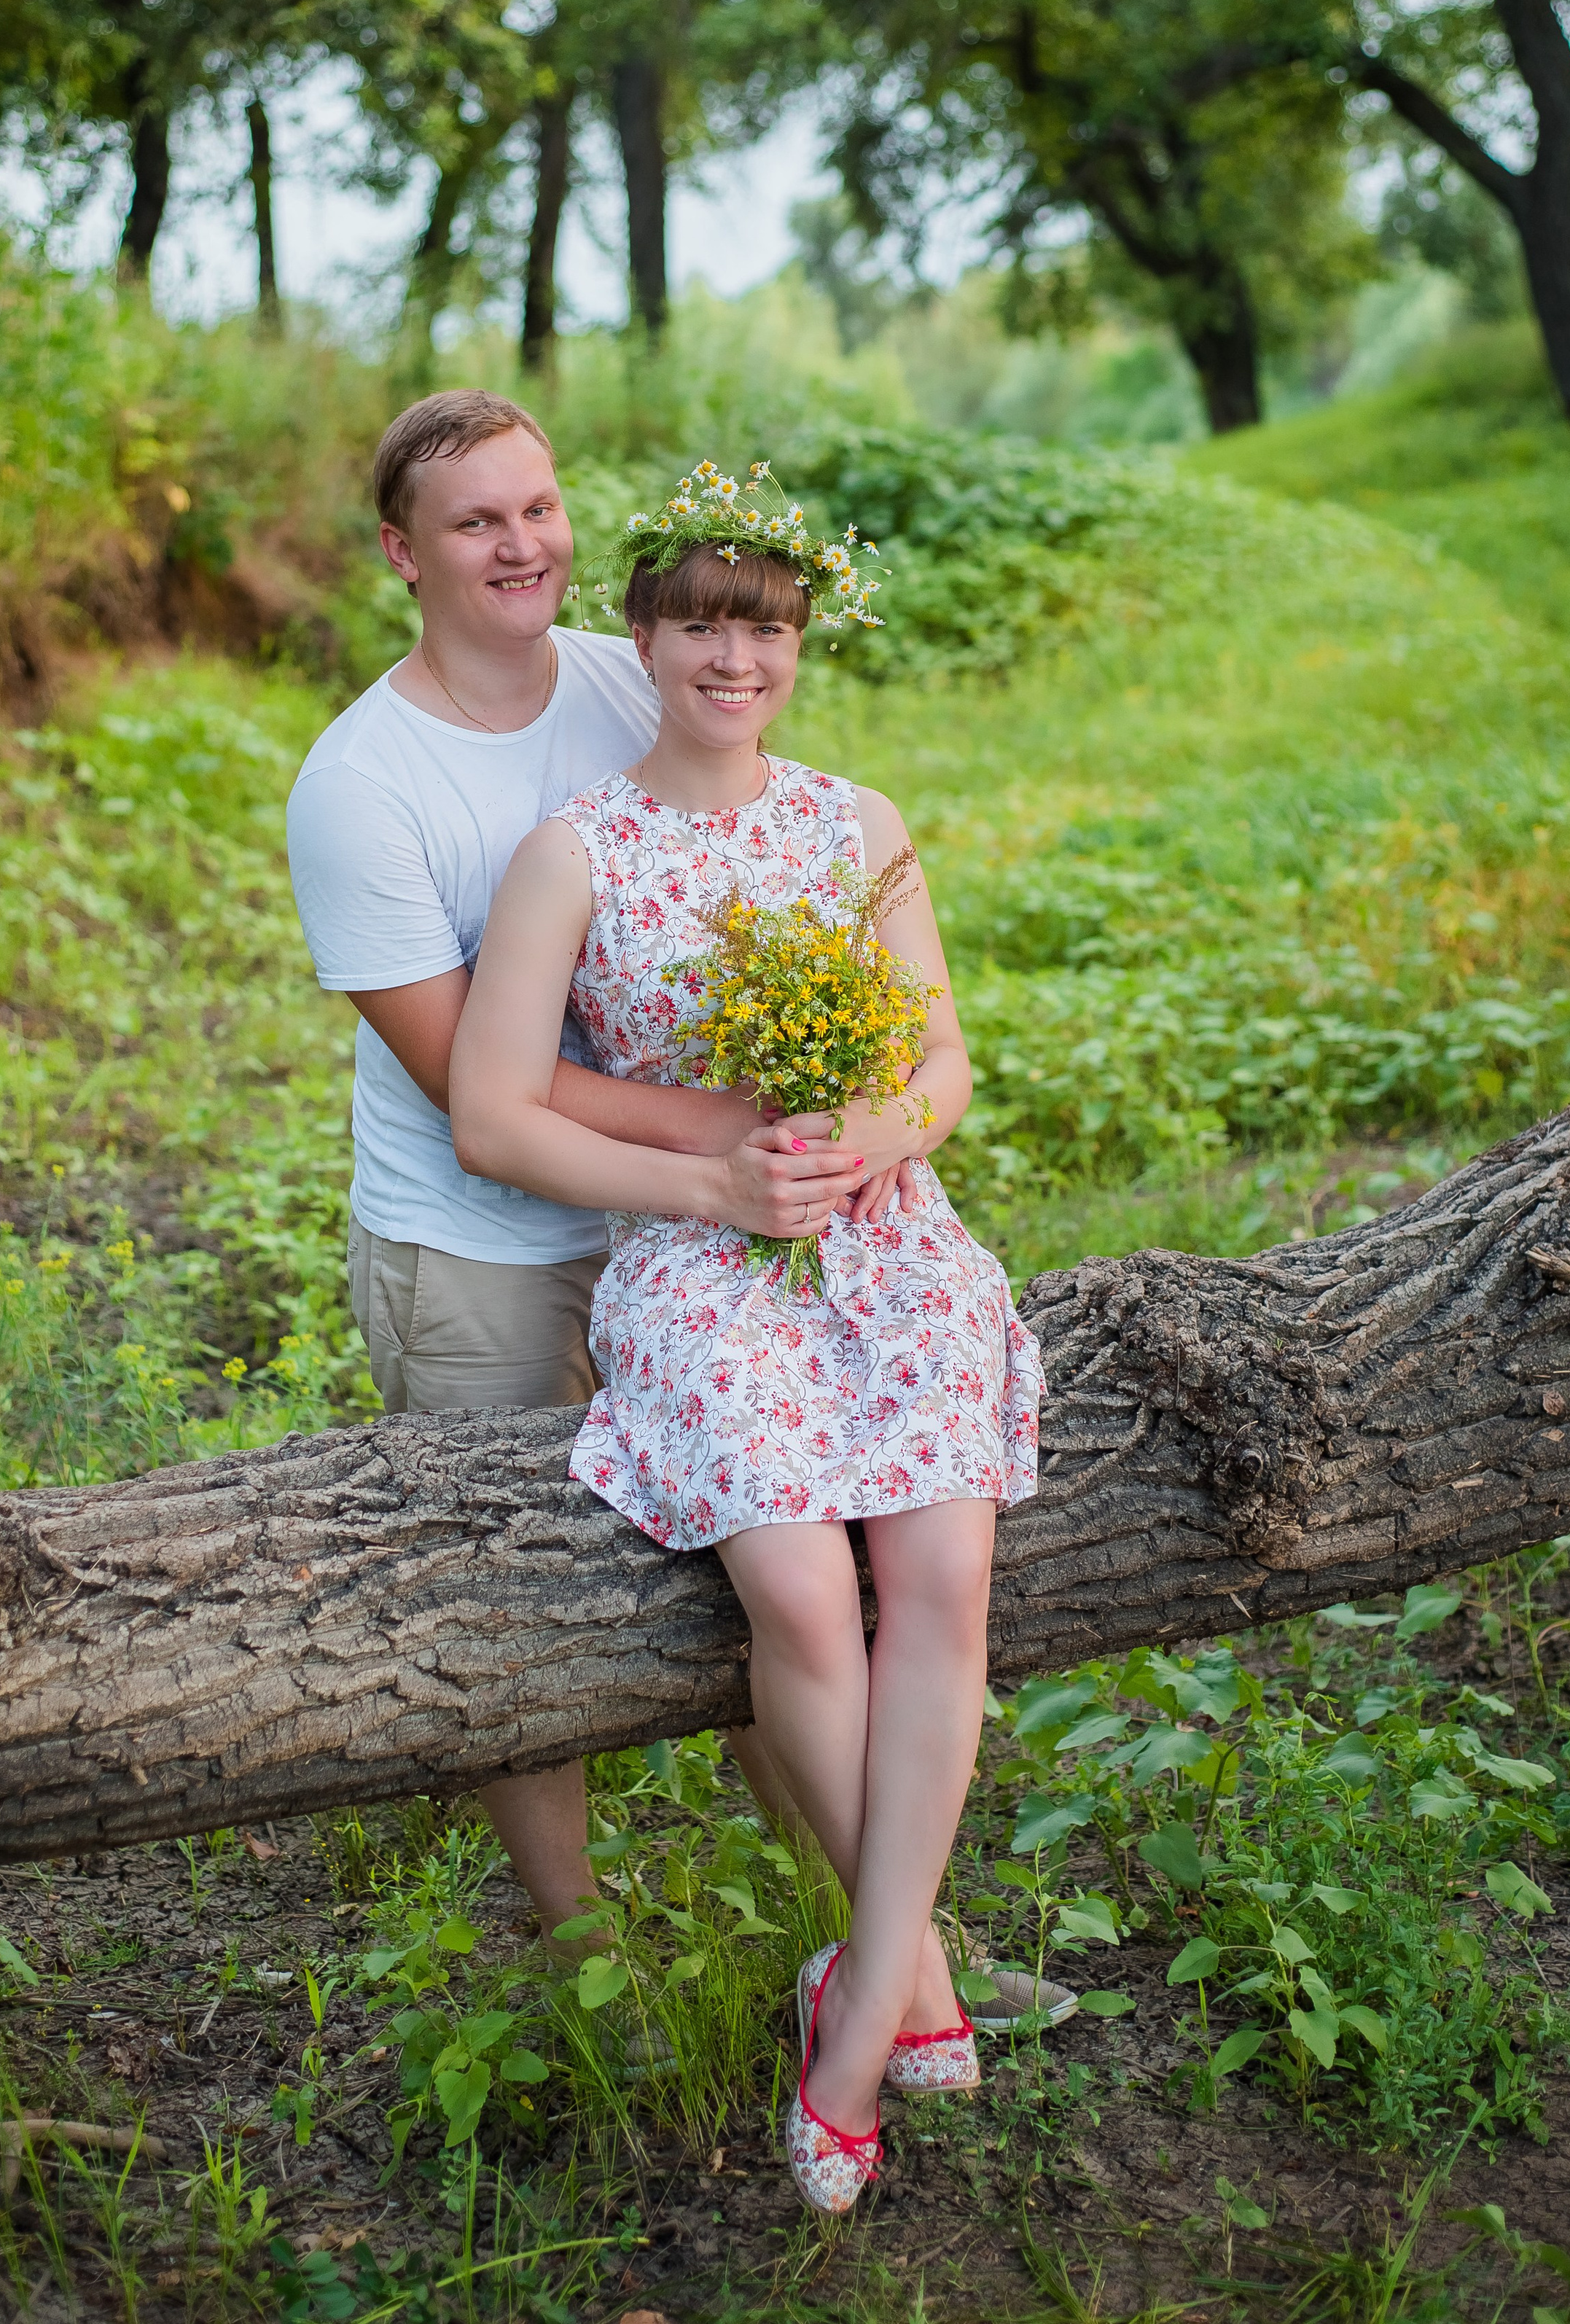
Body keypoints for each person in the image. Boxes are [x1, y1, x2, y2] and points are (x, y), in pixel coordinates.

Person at [448, 466, 1044, 2214]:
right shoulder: (574, 852)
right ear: (640, 637)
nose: (733, 657)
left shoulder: (856, 824)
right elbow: (492, 1112)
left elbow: (941, 1059)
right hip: (698, 1258)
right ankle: (903, 1970)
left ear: (798, 644)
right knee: (794, 1586)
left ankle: (851, 2021)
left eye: (764, 627)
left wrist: (876, 1133)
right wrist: (711, 1183)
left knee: (938, 1570)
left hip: (886, 1237)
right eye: (701, 623)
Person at [285, 393, 869, 1954]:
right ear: (402, 553)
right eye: (475, 521)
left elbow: (768, 861)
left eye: (536, 508)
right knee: (518, 1591)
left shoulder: (633, 677)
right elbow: (471, 1079)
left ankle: (865, 1919)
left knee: (760, 1541)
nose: (519, 545)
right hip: (478, 1242)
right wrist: (720, 1133)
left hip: (685, 1241)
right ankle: (584, 1950)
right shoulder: (362, 784)